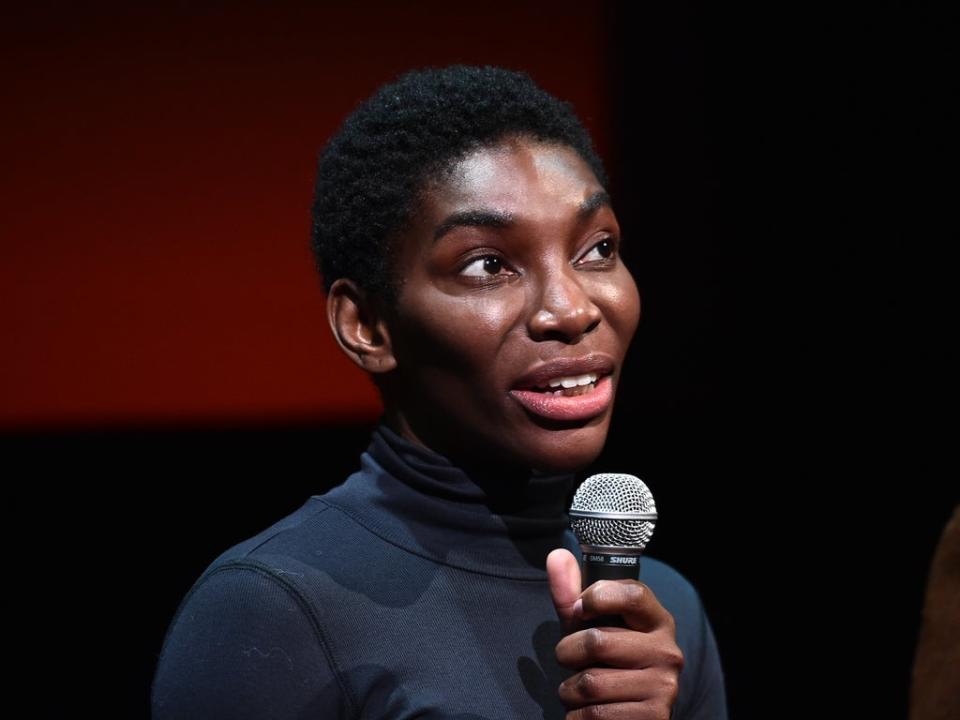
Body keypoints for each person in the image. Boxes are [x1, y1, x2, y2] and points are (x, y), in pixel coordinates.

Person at [151, 65, 728, 720]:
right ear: (367, 325)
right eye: (488, 264)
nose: (570, 310)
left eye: (596, 249)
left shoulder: (664, 617)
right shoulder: (274, 614)